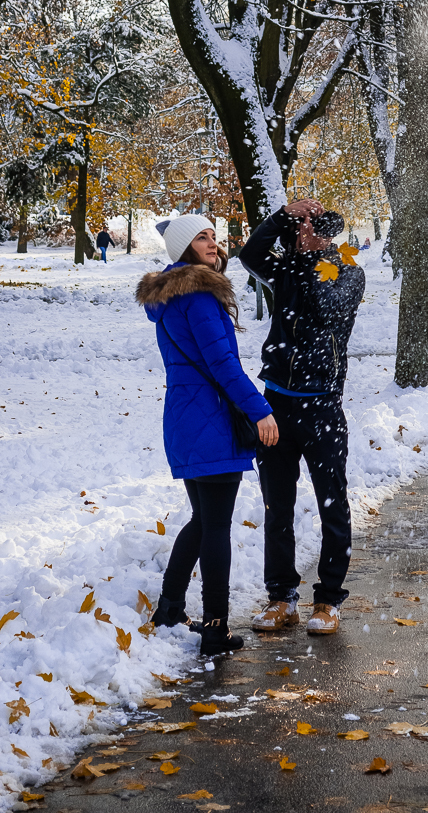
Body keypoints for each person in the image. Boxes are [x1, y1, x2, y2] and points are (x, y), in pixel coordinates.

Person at [136, 214, 278, 657]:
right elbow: (223, 366)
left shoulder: (170, 297)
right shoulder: (198, 296)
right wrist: (261, 412)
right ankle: (216, 628)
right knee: (215, 525)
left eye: (215, 237)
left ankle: (169, 607)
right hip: (211, 420)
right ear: (184, 248)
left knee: (203, 520)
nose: (214, 244)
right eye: (202, 238)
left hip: (184, 418)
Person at [240, 199, 365, 636]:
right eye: (301, 226)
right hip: (277, 404)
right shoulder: (285, 267)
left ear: (331, 231)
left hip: (322, 406)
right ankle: (281, 598)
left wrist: (316, 255)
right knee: (278, 507)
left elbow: (329, 309)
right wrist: (279, 216)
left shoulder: (346, 271)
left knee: (333, 503)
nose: (305, 232)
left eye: (315, 225)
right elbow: (248, 256)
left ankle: (328, 600)